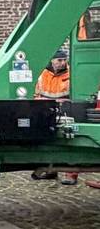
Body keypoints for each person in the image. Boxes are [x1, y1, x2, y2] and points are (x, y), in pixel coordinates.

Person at [34, 48, 78, 185]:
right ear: (52, 60)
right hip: (47, 112)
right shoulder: (43, 75)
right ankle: (50, 170)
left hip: (67, 112)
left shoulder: (72, 74)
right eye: (60, 60)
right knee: (50, 142)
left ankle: (71, 174)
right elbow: (36, 95)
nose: (63, 63)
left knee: (70, 143)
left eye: (64, 60)